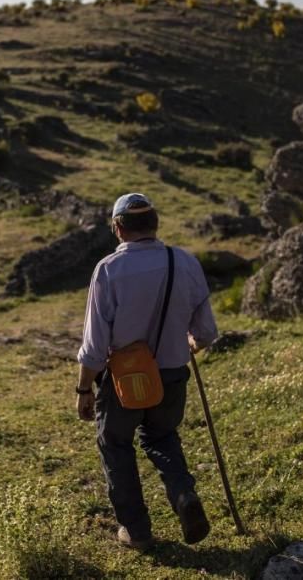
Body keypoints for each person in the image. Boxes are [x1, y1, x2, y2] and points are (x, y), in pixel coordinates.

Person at [75, 192, 219, 550]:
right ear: (154, 224)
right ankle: (184, 495)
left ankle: (136, 532)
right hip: (172, 373)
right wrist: (181, 345)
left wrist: (83, 389)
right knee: (162, 437)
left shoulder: (108, 269)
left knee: (116, 444)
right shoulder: (184, 262)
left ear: (118, 228)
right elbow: (205, 333)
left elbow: (94, 345)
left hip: (124, 381)